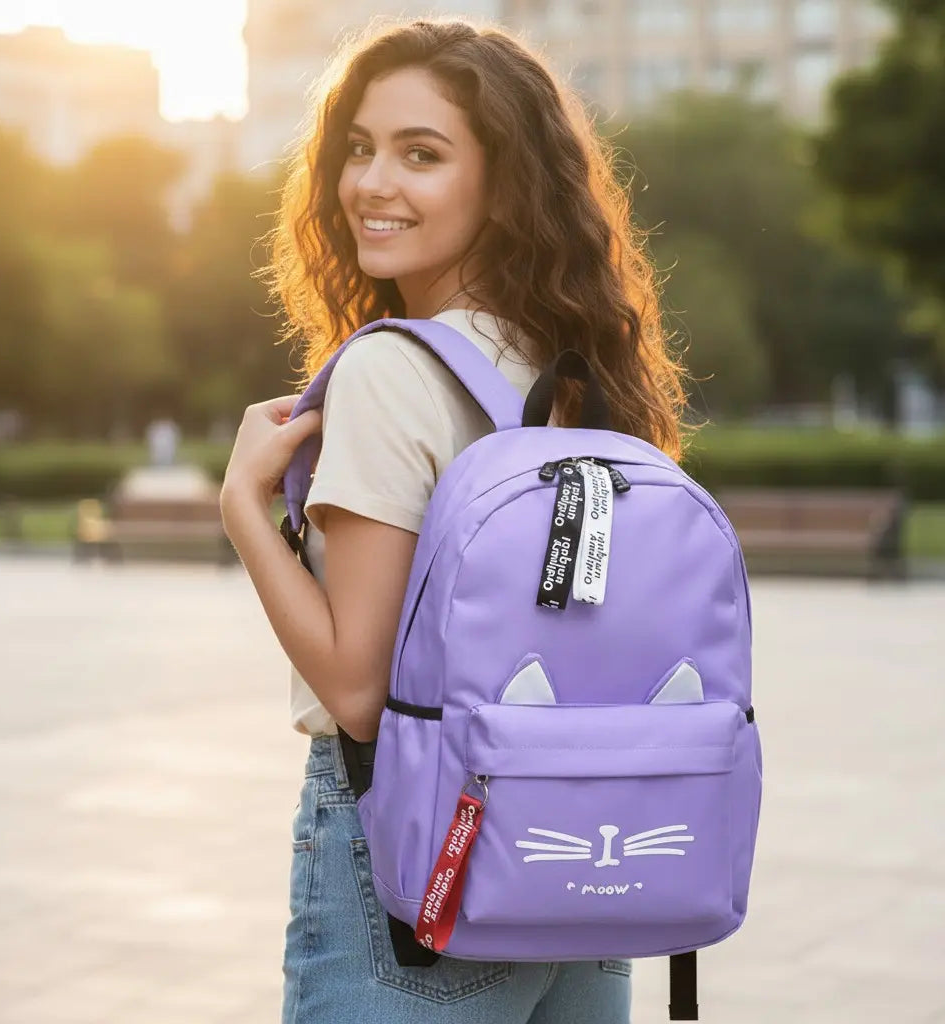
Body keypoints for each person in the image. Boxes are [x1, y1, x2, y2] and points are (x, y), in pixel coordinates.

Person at [219, 17, 690, 1024]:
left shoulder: (393, 368)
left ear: (502, 184)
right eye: (358, 148)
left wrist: (243, 513)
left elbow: (356, 689)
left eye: (420, 154)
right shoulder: (579, 377)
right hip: (580, 858)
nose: (369, 184)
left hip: (419, 860)